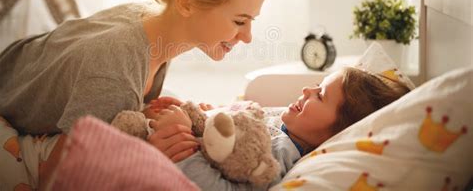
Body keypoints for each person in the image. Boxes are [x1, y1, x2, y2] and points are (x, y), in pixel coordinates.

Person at [0, 0, 267, 190]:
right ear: (186, 4)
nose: (247, 37)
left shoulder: (157, 28)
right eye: (239, 21)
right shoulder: (116, 67)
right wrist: (147, 155)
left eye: (251, 21)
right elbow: (58, 179)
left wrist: (148, 109)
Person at [148, 66, 411, 190]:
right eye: (316, 85)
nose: (307, 90)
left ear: (337, 131)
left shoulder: (280, 153)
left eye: (319, 95)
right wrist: (206, 116)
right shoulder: (284, 125)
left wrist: (185, 148)